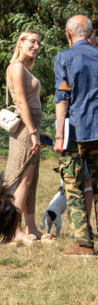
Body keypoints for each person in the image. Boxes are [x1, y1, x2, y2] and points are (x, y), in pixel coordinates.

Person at [54, 15, 98, 256]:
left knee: (74, 185)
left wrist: (59, 135)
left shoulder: (64, 57)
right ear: (90, 34)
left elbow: (62, 98)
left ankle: (84, 245)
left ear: (68, 33)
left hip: (75, 133)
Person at [3, 31, 47, 242]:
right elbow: (21, 102)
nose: (36, 46)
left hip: (32, 127)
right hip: (24, 129)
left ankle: (31, 227)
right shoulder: (16, 67)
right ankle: (14, 230)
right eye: (32, 41)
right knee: (22, 178)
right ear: (20, 43)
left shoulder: (24, 68)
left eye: (38, 43)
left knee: (31, 180)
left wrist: (37, 131)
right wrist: (31, 132)